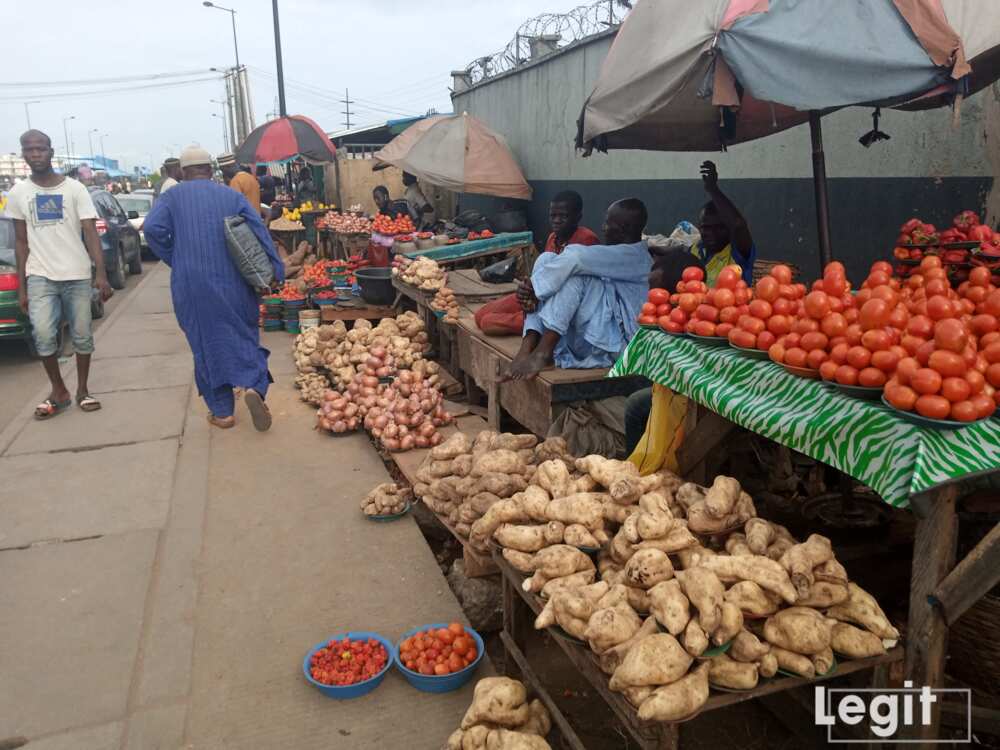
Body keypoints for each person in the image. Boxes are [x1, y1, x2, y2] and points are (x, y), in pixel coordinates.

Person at [144, 145, 285, 431]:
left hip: (191, 285)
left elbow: (151, 229)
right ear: (211, 170)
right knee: (244, 334)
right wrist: (275, 271)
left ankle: (223, 412)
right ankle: (254, 387)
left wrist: (176, 257)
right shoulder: (231, 195)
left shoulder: (171, 196)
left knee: (205, 342)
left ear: (183, 173)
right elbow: (258, 230)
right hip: (235, 280)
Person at [7, 129, 113, 419]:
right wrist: (22, 287)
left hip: (76, 274)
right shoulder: (18, 193)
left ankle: (82, 390)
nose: (35, 154)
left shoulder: (74, 189)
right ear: (23, 154)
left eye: (40, 148)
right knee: (42, 335)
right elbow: (20, 241)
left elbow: (90, 231)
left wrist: (100, 273)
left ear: (51, 152)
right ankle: (59, 390)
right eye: (29, 149)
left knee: (82, 336)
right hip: (40, 274)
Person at [504, 198, 651, 381]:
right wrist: (534, 287)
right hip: (593, 334)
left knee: (577, 276)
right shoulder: (615, 253)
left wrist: (533, 287)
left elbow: (577, 257)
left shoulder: (635, 257)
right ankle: (528, 345)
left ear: (622, 228)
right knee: (546, 259)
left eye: (607, 223)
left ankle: (543, 352)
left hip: (614, 344)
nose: (603, 227)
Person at [475, 190, 599, 336]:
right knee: (480, 315)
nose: (557, 221)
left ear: (578, 217)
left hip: (559, 307)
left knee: (488, 322)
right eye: (553, 216)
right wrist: (526, 290)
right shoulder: (553, 238)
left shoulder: (586, 241)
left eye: (563, 216)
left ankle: (535, 329)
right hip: (538, 296)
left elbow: (572, 289)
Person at [623, 248, 705, 454]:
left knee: (634, 406)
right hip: (675, 383)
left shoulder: (694, 322)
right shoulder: (665, 319)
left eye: (657, 293)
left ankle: (633, 465)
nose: (651, 300)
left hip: (694, 392)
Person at [691, 160, 756, 285]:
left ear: (728, 228)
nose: (712, 233)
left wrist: (713, 189)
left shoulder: (739, 252)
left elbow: (738, 225)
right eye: (706, 227)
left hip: (731, 304)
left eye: (719, 227)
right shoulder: (696, 249)